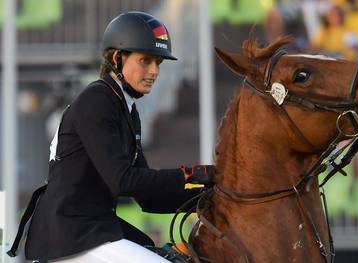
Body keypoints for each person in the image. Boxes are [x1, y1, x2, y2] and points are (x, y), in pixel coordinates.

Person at [7, 11, 214, 263]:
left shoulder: (126, 108)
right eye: (145, 61)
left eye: (158, 63)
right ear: (118, 58)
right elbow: (123, 181)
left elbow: (148, 198)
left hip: (92, 227)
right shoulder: (97, 100)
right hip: (69, 235)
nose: (154, 71)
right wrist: (194, 174)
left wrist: (210, 197)